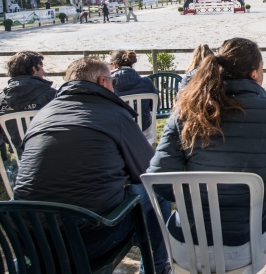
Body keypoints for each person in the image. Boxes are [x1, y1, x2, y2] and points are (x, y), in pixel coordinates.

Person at [148, 38, 266, 273]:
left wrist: (196, 180)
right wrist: (256, 173)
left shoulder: (187, 109)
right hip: (243, 248)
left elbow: (160, 179)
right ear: (254, 73)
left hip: (186, 248)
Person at [14, 57, 170, 273]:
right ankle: (157, 268)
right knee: (157, 189)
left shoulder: (43, 115)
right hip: (88, 238)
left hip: (29, 240)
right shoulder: (114, 113)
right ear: (102, 82)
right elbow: (147, 170)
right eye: (112, 83)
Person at [0, 51, 57, 155]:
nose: (43, 71)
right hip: (50, 153)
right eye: (41, 66)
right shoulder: (51, 96)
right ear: (34, 68)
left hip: (20, 154)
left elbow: (2, 132)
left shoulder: (0, 100)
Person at [109, 50, 157, 139]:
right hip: (143, 131)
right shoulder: (146, 82)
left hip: (118, 132)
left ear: (114, 64)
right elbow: (155, 106)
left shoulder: (107, 85)